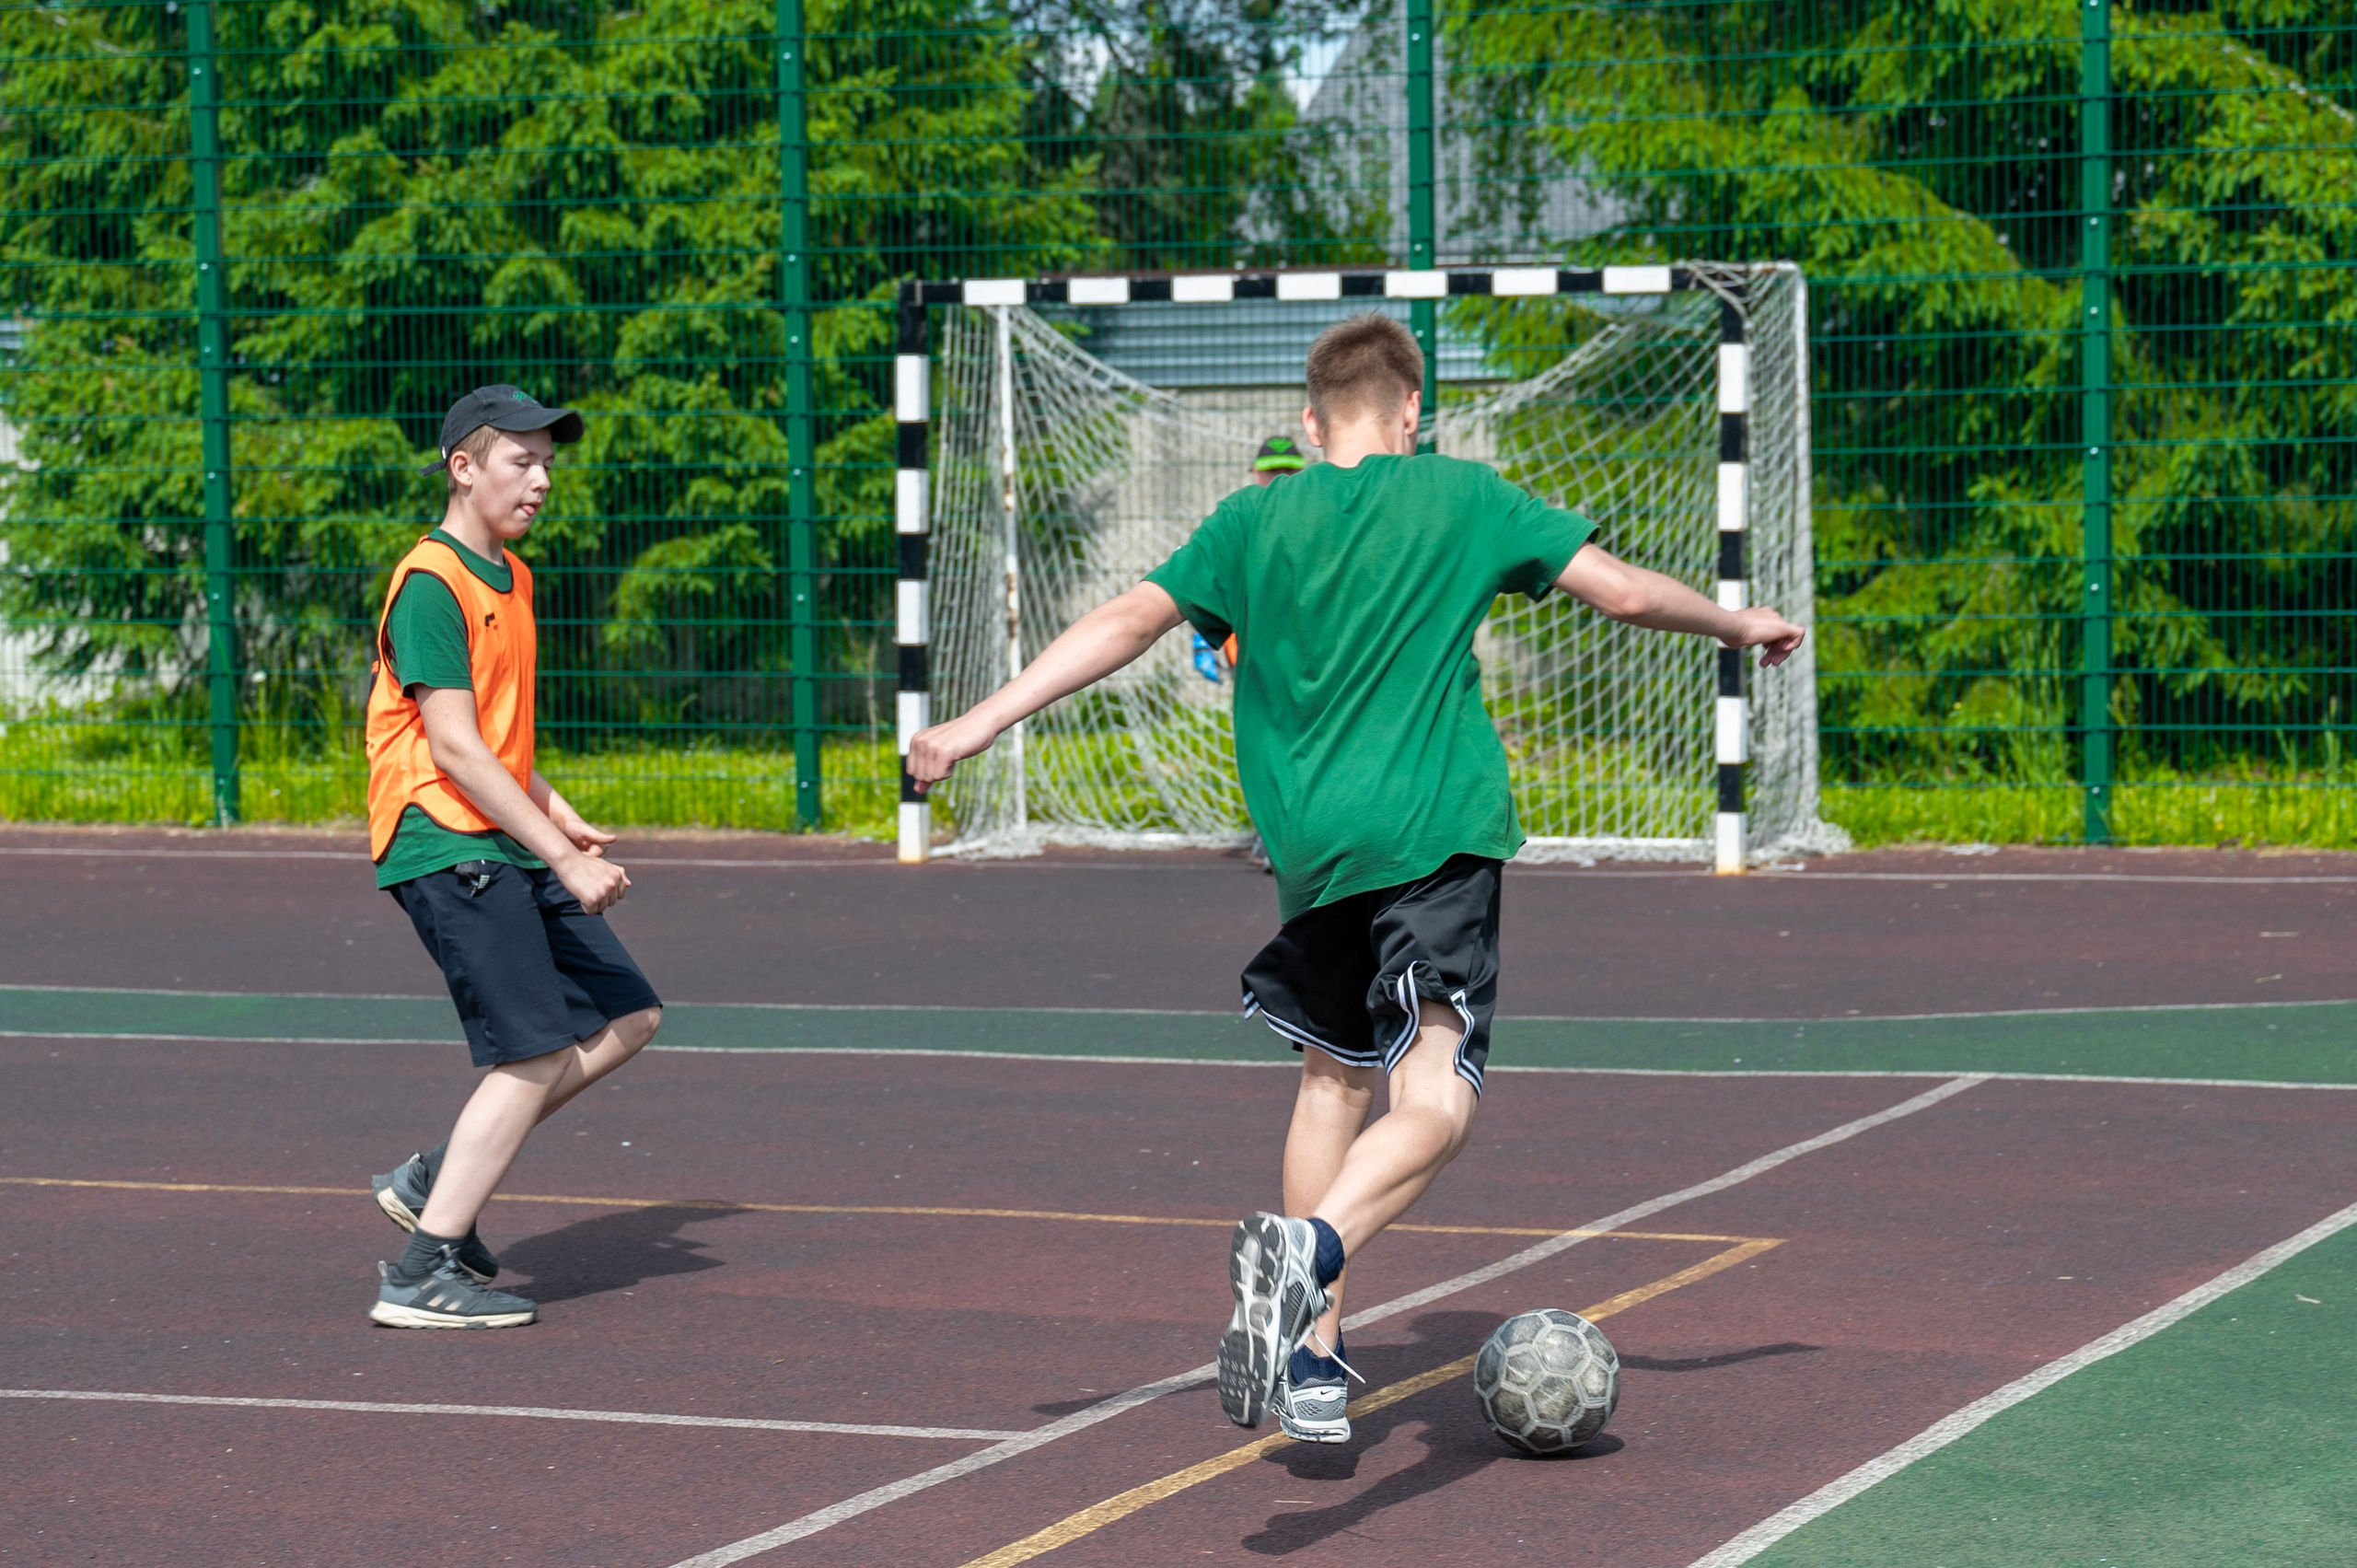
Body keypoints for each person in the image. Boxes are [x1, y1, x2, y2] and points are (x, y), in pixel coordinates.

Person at [909, 313, 1804, 1442]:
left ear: (1310, 420)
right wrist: (1738, 622)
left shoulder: (1249, 517)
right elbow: (1622, 593)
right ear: (1412, 412)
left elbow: (1128, 621)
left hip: (1312, 849)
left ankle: (1315, 1353)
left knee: (1331, 1080)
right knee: (1433, 1101)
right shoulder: (1465, 496)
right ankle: (1309, 1252)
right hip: (1432, 834)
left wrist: (978, 721)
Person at [360, 386, 663, 1330]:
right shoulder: (430, 582)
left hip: (496, 830)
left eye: (546, 463)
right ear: (463, 467)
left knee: (629, 1013)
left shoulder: (512, 577)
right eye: (520, 461)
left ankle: (434, 1177)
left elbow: (497, 742)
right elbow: (451, 746)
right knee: (530, 1053)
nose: (540, 479)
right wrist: (561, 860)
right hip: (441, 837)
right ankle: (418, 1271)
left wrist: (554, 812)